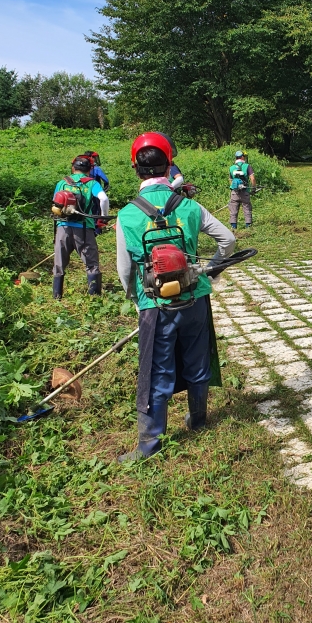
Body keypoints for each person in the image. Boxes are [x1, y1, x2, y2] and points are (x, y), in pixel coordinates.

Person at [116, 133, 235, 461]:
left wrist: (135, 298)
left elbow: (124, 270)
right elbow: (228, 240)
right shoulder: (190, 206)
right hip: (195, 299)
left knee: (156, 370)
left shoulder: (127, 214)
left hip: (156, 305)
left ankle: (150, 445)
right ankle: (198, 419)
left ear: (135, 169)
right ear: (169, 166)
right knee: (197, 360)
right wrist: (210, 271)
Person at [52, 155, 110, 299]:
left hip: (62, 228)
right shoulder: (91, 183)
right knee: (91, 264)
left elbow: (55, 205)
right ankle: (94, 298)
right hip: (84, 228)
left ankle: (56, 296)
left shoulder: (62, 183)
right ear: (90, 169)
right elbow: (104, 199)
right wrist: (103, 217)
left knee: (59, 264)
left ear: (73, 167)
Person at [228, 151, 256, 230]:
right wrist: (253, 188)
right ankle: (248, 227)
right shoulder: (247, 166)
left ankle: (233, 227)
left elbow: (230, 179)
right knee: (247, 208)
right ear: (242, 157)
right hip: (245, 191)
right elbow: (253, 179)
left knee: (233, 210)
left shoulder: (231, 167)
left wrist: (234, 187)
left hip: (234, 192)